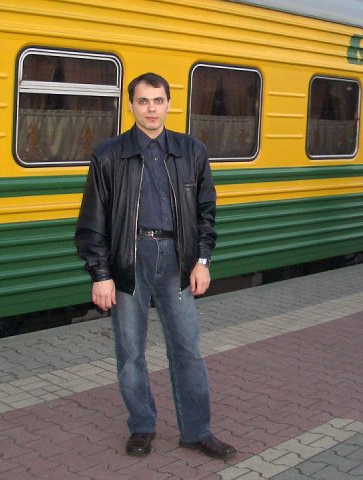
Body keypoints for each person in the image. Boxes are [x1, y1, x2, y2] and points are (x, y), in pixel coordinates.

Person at [75, 72, 236, 460]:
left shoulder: (191, 151)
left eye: (158, 101)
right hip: (129, 262)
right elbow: (92, 221)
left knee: (188, 350)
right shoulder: (109, 155)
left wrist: (202, 261)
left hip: (177, 262)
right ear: (131, 106)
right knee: (130, 352)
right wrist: (100, 274)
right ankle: (142, 426)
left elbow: (205, 212)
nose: (151, 109)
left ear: (168, 104)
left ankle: (196, 431)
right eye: (143, 101)